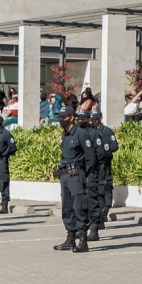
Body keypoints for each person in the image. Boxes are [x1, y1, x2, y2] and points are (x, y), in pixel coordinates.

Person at [53, 105, 96, 253]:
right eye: (60, 117)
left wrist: (83, 175)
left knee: (79, 207)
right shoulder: (65, 134)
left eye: (64, 117)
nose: (61, 120)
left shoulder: (81, 134)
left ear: (72, 118)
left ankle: (83, 241)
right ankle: (70, 239)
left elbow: (90, 159)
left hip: (77, 176)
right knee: (67, 208)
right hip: (65, 175)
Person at [76, 110, 104, 242]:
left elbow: (100, 154)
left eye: (82, 119)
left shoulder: (94, 134)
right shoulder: (78, 133)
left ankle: (94, 229)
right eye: (78, 119)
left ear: (88, 119)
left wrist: (92, 167)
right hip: (80, 172)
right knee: (81, 202)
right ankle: (82, 229)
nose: (79, 121)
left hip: (91, 172)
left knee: (92, 201)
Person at [0, 114, 18, 214]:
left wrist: (4, 154)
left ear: (1, 123)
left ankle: (4, 204)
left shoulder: (6, 134)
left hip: (2, 161)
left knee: (3, 182)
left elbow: (13, 147)